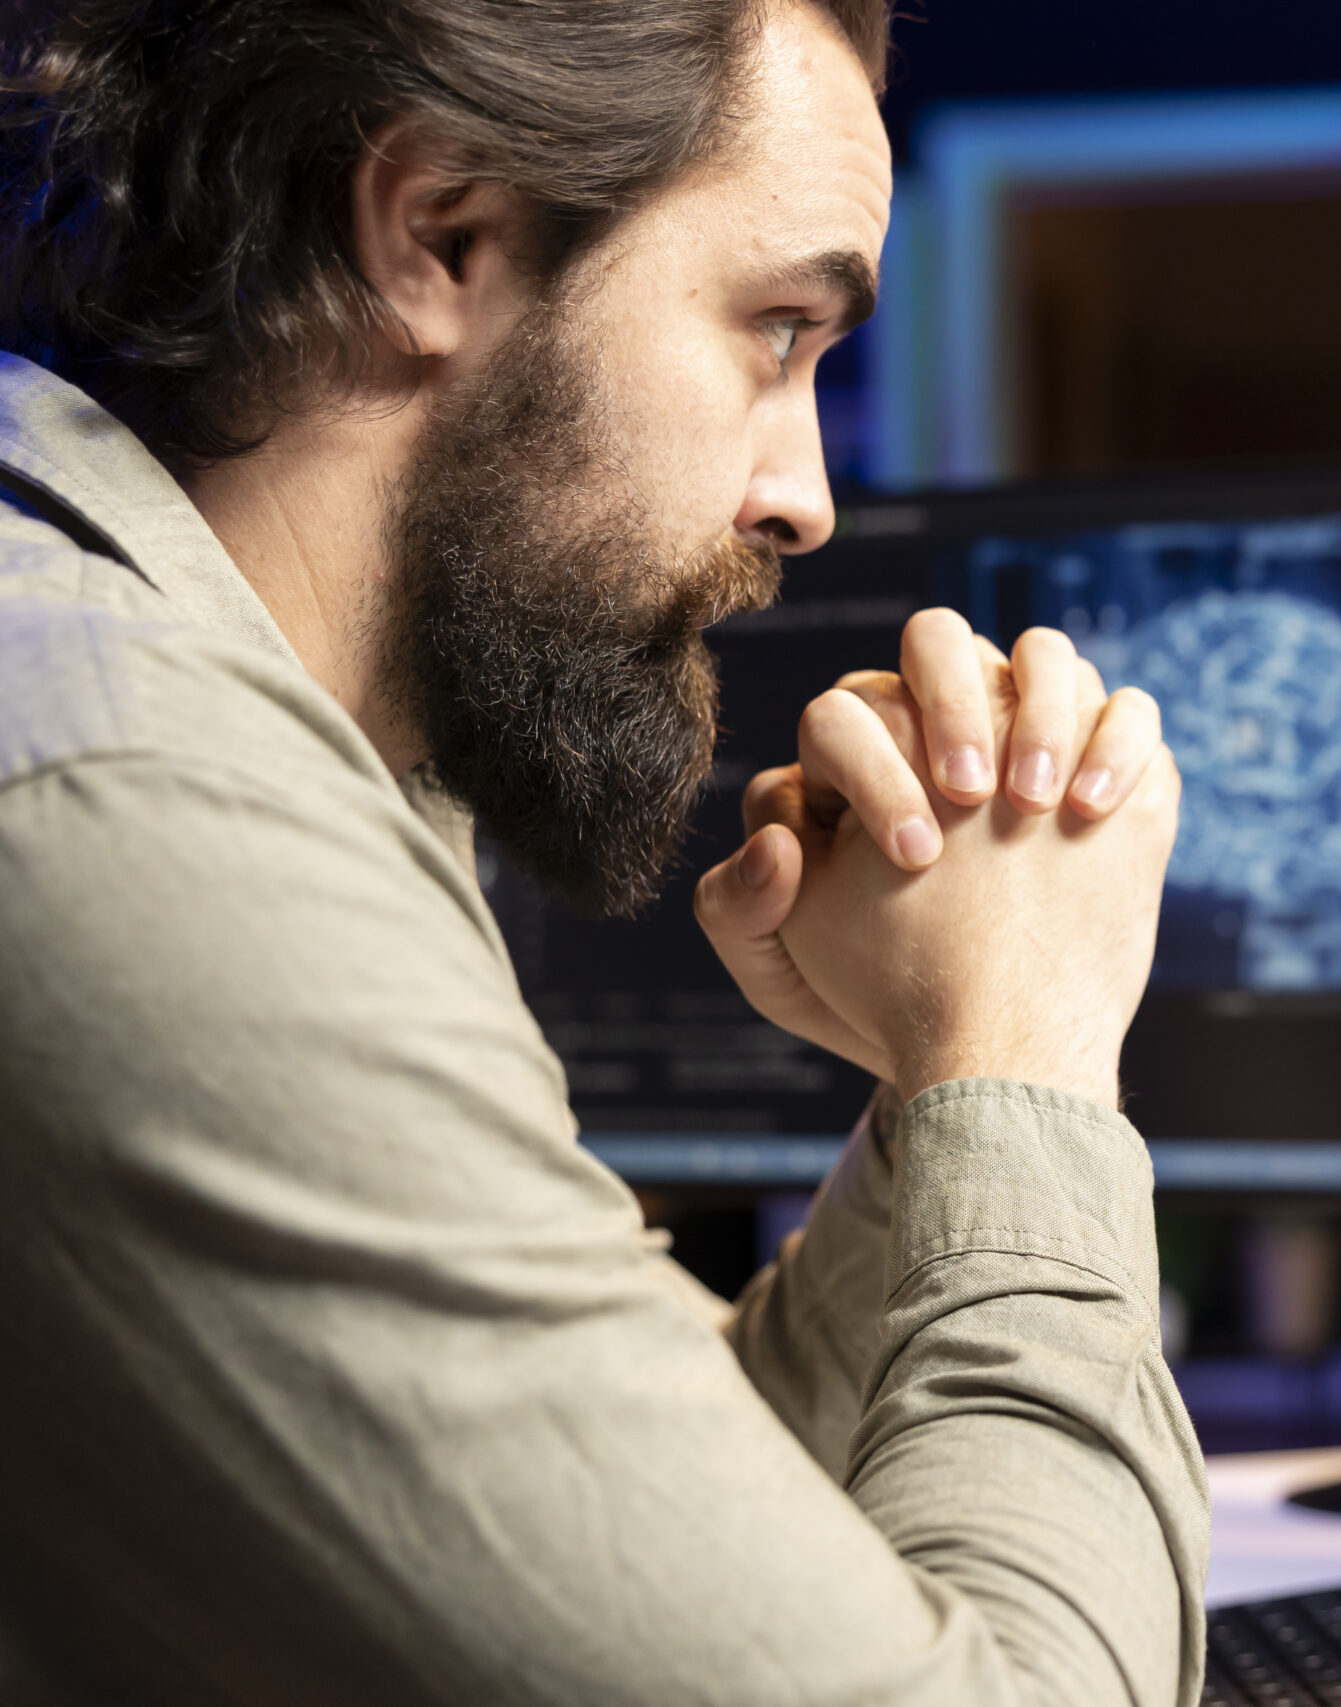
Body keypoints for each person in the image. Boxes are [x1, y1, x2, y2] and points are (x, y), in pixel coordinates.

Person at [0, 1, 1205, 1702]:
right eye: (776, 328)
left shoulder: (243, 730)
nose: (805, 495)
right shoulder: (144, 815)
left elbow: (639, 1536)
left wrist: (940, 1100)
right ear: (442, 237)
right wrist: (1031, 1058)